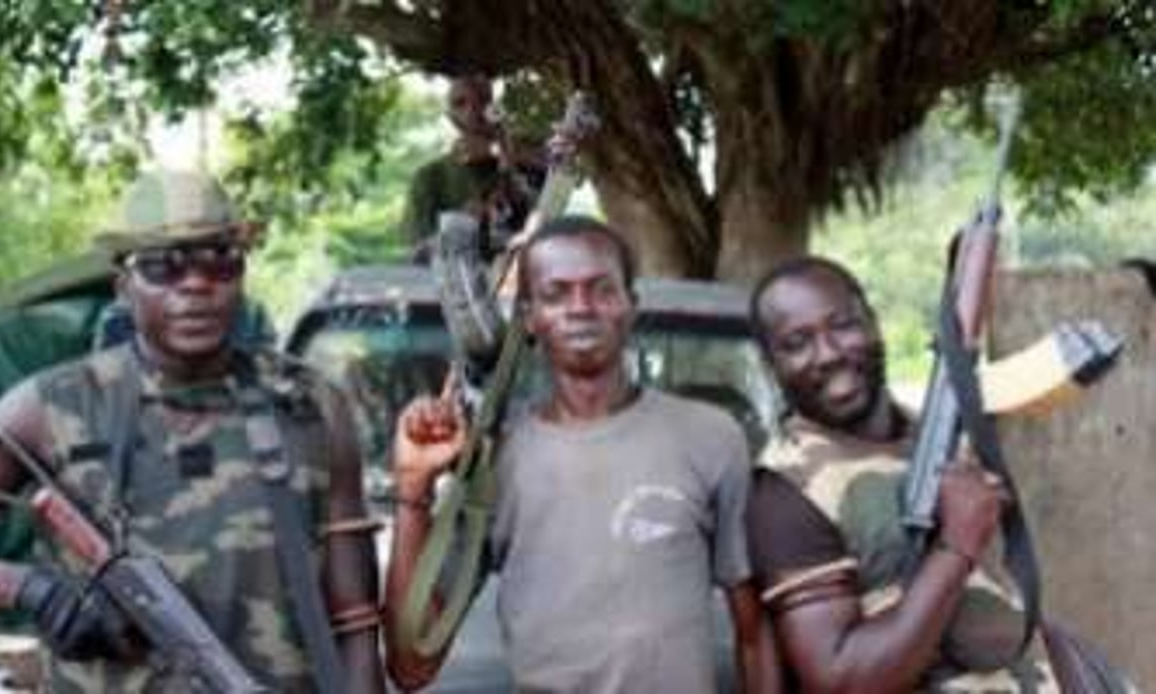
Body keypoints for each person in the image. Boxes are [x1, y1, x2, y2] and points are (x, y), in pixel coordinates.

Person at [0, 171, 383, 692]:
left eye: (219, 259)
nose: (195, 284)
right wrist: (31, 590)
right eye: (162, 266)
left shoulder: (312, 406)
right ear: (123, 285)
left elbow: (355, 624)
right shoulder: (48, 409)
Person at [383, 215, 773, 692]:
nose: (580, 307)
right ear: (528, 316)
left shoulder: (711, 438)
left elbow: (755, 636)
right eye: (555, 293)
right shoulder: (495, 463)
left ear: (632, 305)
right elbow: (411, 665)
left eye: (602, 289)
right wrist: (412, 489)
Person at [745, 255, 1063, 691]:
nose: (829, 353)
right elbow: (842, 677)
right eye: (797, 342)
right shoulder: (785, 490)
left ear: (873, 323)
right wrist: (956, 545)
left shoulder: (936, 432)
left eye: (841, 325)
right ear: (770, 366)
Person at [399, 74, 544, 263]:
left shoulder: (526, 159)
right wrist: (461, 224)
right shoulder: (430, 177)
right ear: (450, 117)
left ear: (497, 108)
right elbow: (415, 254)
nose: (473, 110)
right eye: (460, 103)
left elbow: (565, 165)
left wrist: (497, 151)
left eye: (483, 100)